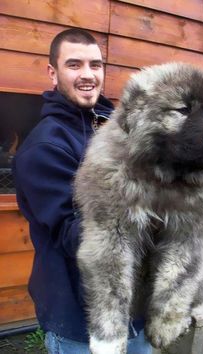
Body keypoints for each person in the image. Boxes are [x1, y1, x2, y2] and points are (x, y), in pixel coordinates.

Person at [13, 29, 152, 354]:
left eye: (95, 64)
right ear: (53, 72)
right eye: (74, 65)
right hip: (82, 320)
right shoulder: (45, 147)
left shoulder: (118, 126)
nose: (88, 75)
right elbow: (76, 236)